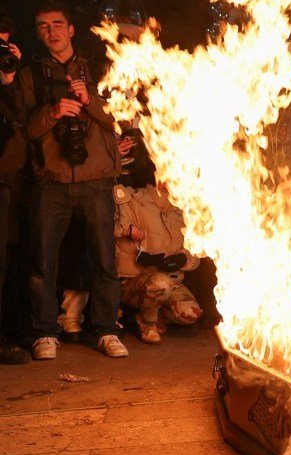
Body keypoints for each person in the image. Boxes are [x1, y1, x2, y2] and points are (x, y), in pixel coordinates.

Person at [15, 1, 127, 359]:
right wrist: (52, 113)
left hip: (96, 179)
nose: (53, 31)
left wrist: (88, 99)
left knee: (104, 261)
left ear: (71, 29)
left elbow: (122, 120)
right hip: (51, 180)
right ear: (38, 32)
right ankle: (45, 333)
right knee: (42, 262)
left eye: (58, 23)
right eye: (44, 25)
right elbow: (22, 131)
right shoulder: (31, 73)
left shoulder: (99, 67)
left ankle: (107, 330)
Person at [112, 184, 203, 343]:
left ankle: (148, 314)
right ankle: (148, 323)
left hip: (170, 282)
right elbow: (106, 229)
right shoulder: (132, 201)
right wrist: (127, 231)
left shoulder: (182, 209)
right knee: (161, 283)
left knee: (190, 313)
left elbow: (196, 253)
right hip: (134, 282)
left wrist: (183, 258)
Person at [0, 14, 28, 364]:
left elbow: (19, 119)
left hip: (3, 178)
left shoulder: (6, 80)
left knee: (0, 261)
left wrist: (8, 80)